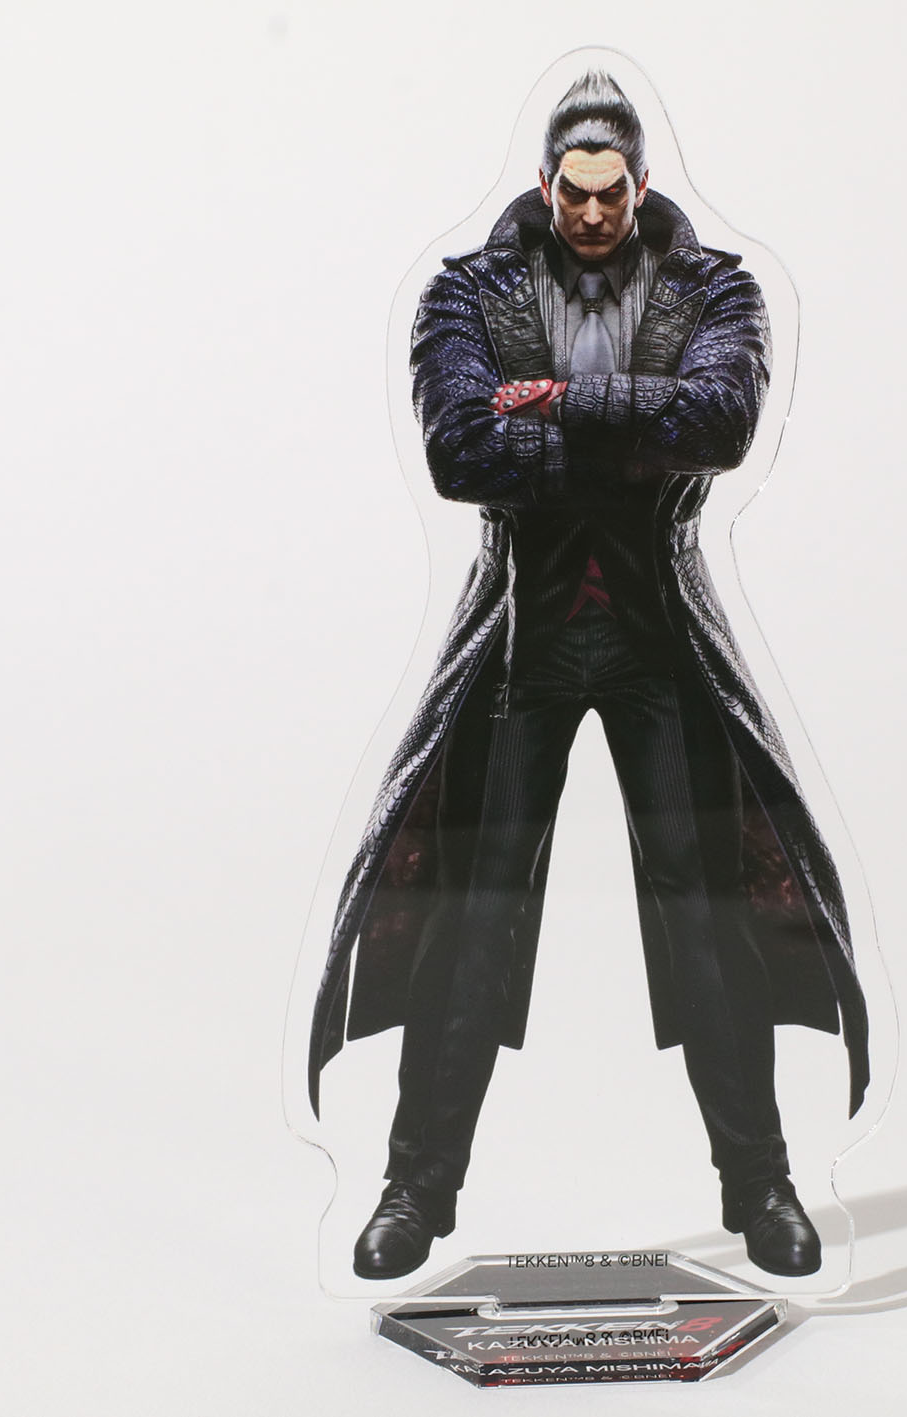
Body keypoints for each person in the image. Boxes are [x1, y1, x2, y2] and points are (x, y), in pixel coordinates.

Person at [308, 71, 869, 1280]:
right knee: (473, 913)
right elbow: (459, 449)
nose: (595, 212)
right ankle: (415, 1190)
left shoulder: (716, 288)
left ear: (643, 184)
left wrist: (559, 401)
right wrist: (630, 425)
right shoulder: (468, 291)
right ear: (547, 182)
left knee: (706, 910)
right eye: (576, 192)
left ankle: (760, 1184)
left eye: (614, 193)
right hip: (524, 635)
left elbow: (718, 424)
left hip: (661, 634)